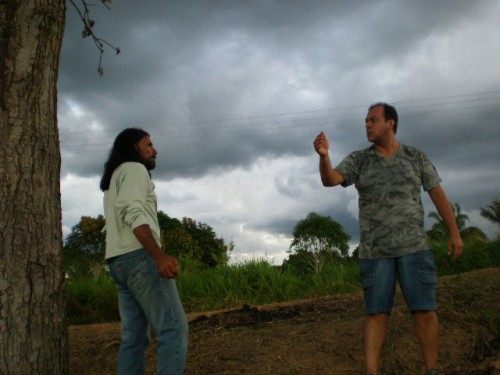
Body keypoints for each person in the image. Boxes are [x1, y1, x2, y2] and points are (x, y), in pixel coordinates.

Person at [313, 103, 463, 375]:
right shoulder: (359, 159)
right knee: (376, 312)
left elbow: (437, 193)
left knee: (425, 310)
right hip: (375, 252)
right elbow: (330, 179)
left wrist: (454, 231)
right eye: (366, 121)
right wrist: (324, 156)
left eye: (373, 120)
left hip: (415, 248)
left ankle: (432, 370)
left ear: (390, 123)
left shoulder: (415, 156)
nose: (367, 125)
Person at [100, 128, 188, 375]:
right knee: (173, 329)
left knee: (134, 338)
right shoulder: (134, 169)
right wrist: (158, 256)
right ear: (133, 147)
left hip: (118, 262)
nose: (155, 150)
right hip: (140, 258)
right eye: (148, 144)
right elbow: (133, 212)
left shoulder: (115, 178)